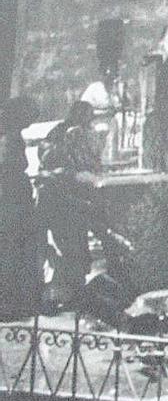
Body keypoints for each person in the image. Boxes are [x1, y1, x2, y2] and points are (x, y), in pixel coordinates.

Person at [37, 100, 101, 310]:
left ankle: (71, 292)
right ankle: (69, 294)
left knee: (71, 246)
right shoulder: (71, 134)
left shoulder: (60, 132)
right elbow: (79, 166)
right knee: (71, 246)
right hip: (64, 199)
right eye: (88, 115)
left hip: (65, 199)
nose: (90, 120)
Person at [0, 98, 38, 320]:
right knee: (11, 251)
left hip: (14, 199)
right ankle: (9, 303)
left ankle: (13, 301)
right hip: (10, 201)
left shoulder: (12, 134)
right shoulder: (8, 137)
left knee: (14, 251)